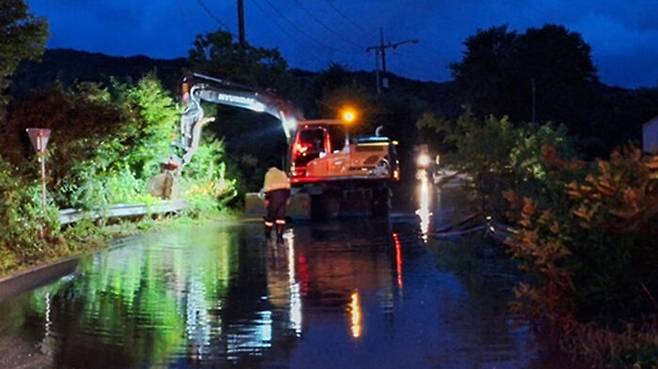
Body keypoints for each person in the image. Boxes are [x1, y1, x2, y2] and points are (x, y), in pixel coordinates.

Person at [262, 163, 291, 243]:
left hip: (273, 196)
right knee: (281, 217)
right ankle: (279, 236)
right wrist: (288, 197)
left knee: (270, 216)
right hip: (283, 195)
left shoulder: (269, 174)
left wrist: (266, 199)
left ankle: (267, 234)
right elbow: (288, 186)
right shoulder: (282, 173)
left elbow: (267, 188)